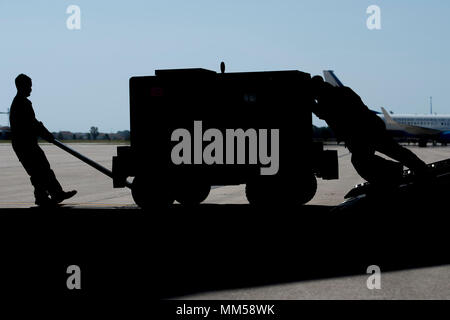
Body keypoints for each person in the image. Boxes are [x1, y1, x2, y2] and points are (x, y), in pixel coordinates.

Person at [310, 75, 428, 189]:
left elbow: (323, 112)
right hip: (371, 127)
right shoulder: (342, 91)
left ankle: (395, 172)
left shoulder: (329, 98)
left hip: (362, 133)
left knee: (362, 161)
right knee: (393, 150)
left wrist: (310, 101)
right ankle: (416, 169)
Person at [9, 74, 77, 206]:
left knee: (42, 168)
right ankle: (44, 196)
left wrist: (46, 135)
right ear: (21, 86)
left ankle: (54, 194)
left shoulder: (21, 102)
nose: (31, 89)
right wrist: (48, 135)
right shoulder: (21, 103)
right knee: (38, 170)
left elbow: (33, 124)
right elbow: (32, 124)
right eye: (29, 86)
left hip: (27, 143)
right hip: (24, 145)